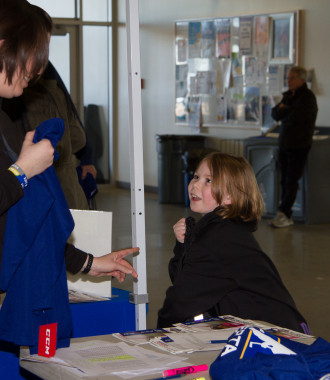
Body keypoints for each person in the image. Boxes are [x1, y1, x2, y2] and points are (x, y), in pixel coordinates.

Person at [0, 0, 138, 280]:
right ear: (4, 47)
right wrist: (22, 171)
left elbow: (19, 223)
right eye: (36, 53)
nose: (39, 69)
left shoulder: (7, 117)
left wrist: (87, 262)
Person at [157, 152, 309, 334]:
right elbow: (185, 279)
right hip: (261, 332)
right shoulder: (219, 230)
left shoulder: (221, 239)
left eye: (209, 180)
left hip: (279, 338)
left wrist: (158, 336)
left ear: (230, 197)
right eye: (196, 176)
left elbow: (182, 300)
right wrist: (183, 245)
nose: (195, 184)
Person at [270, 66, 318, 228]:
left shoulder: (308, 97)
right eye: (288, 78)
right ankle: (283, 212)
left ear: (301, 80)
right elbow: (275, 114)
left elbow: (297, 117)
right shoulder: (288, 96)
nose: (288, 81)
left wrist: (286, 110)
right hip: (284, 143)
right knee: (284, 179)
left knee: (291, 180)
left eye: (291, 78)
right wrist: (285, 110)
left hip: (299, 145)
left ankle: (285, 213)